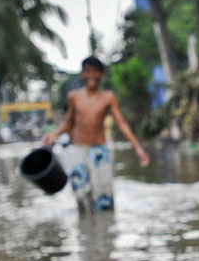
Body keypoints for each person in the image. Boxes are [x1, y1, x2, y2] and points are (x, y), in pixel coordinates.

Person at [43, 56, 150, 212]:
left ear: (101, 74)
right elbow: (69, 123)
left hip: (99, 150)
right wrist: (55, 134)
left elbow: (121, 123)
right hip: (78, 150)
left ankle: (105, 232)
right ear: (82, 74)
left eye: (95, 71)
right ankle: (86, 231)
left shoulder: (108, 97)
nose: (91, 75)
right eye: (87, 71)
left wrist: (138, 148)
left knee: (103, 196)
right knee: (80, 194)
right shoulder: (74, 96)